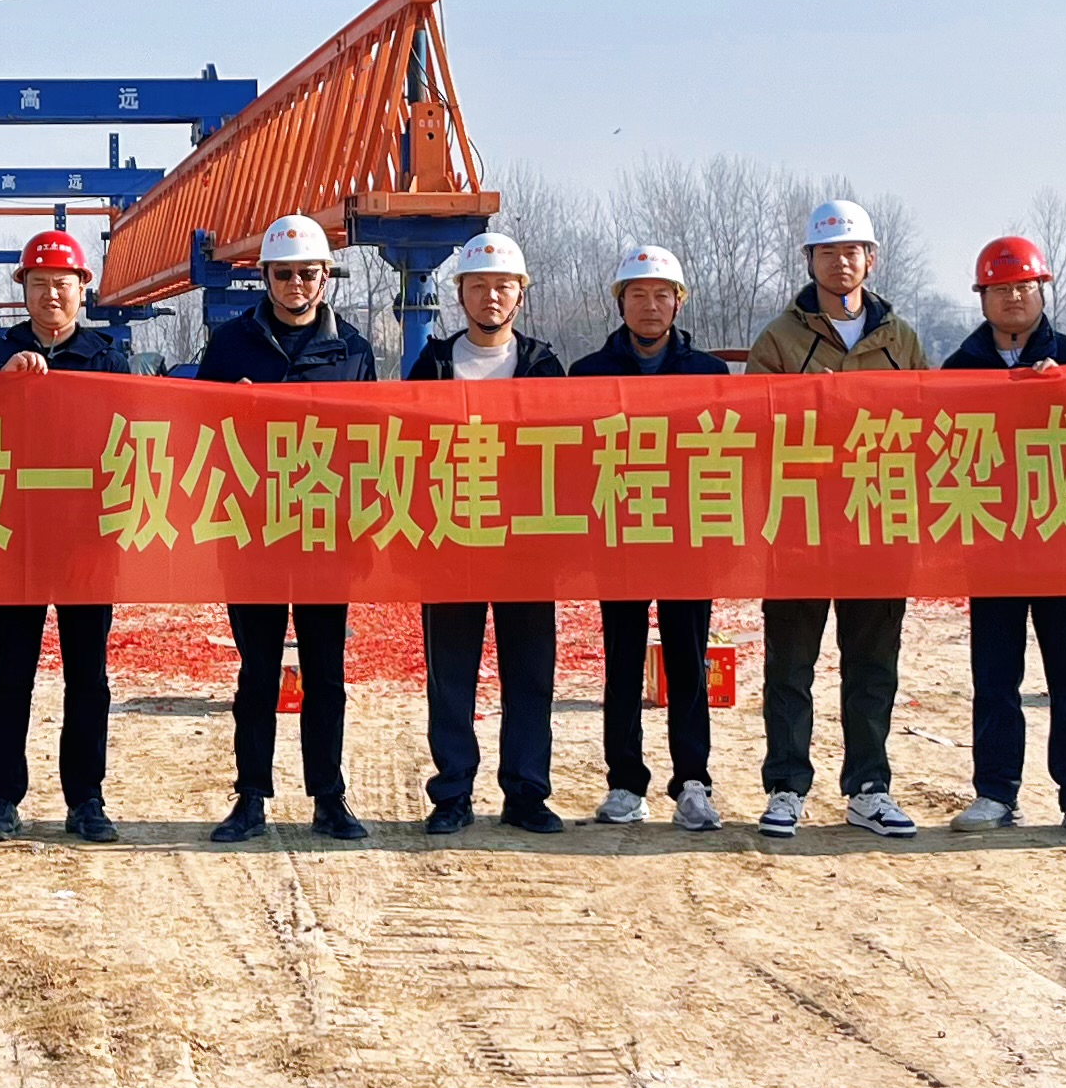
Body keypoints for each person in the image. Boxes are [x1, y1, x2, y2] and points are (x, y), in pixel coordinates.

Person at [745, 199, 929, 837]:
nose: (841, 262)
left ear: (870, 259)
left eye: (852, 251)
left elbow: (927, 422)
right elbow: (754, 426)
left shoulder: (900, 340)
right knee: (790, 665)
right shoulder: (780, 339)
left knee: (872, 664)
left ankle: (869, 787)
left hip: (876, 521)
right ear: (810, 261)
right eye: (828, 252)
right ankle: (786, 786)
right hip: (799, 523)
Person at [194, 213, 378, 844]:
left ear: (325, 277)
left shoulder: (352, 350)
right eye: (283, 274)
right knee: (258, 671)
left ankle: (329, 797)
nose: (296, 284)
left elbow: (370, 443)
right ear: (265, 277)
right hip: (253, 533)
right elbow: (200, 432)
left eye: (307, 273)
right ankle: (250, 797)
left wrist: (363, 527)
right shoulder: (230, 347)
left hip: (326, 533)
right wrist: (235, 411)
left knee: (326, 673)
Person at [940, 238, 1066, 836]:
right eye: (1000, 288)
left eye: (1024, 287)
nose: (1013, 297)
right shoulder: (960, 370)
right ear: (982, 297)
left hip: (1064, 537)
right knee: (995, 677)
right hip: (991, 541)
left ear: (1042, 292)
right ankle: (995, 792)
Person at [0, 228, 127, 843]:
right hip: (15, 539)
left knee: (88, 677)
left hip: (87, 543)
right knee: (11, 674)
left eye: (62, 284)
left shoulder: (108, 361)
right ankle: (1, 798)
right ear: (24, 290)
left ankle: (87, 798)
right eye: (39, 284)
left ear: (83, 289)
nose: (51, 295)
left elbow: (135, 437)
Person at [407, 229, 569, 834]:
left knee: (529, 673)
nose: (491, 297)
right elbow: (405, 448)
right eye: (479, 286)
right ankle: (452, 792)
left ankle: (526, 792)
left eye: (503, 286)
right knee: (451, 675)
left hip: (528, 543)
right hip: (452, 541)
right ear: (461, 294)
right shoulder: (433, 365)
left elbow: (570, 455)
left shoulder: (544, 367)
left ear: (521, 294)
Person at [571, 240, 733, 829]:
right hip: (619, 534)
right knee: (621, 661)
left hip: (688, 537)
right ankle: (624, 782)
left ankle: (693, 780)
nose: (649, 305)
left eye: (661, 295)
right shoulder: (588, 375)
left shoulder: (710, 375)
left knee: (688, 661)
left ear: (678, 302)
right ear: (621, 303)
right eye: (637, 294)